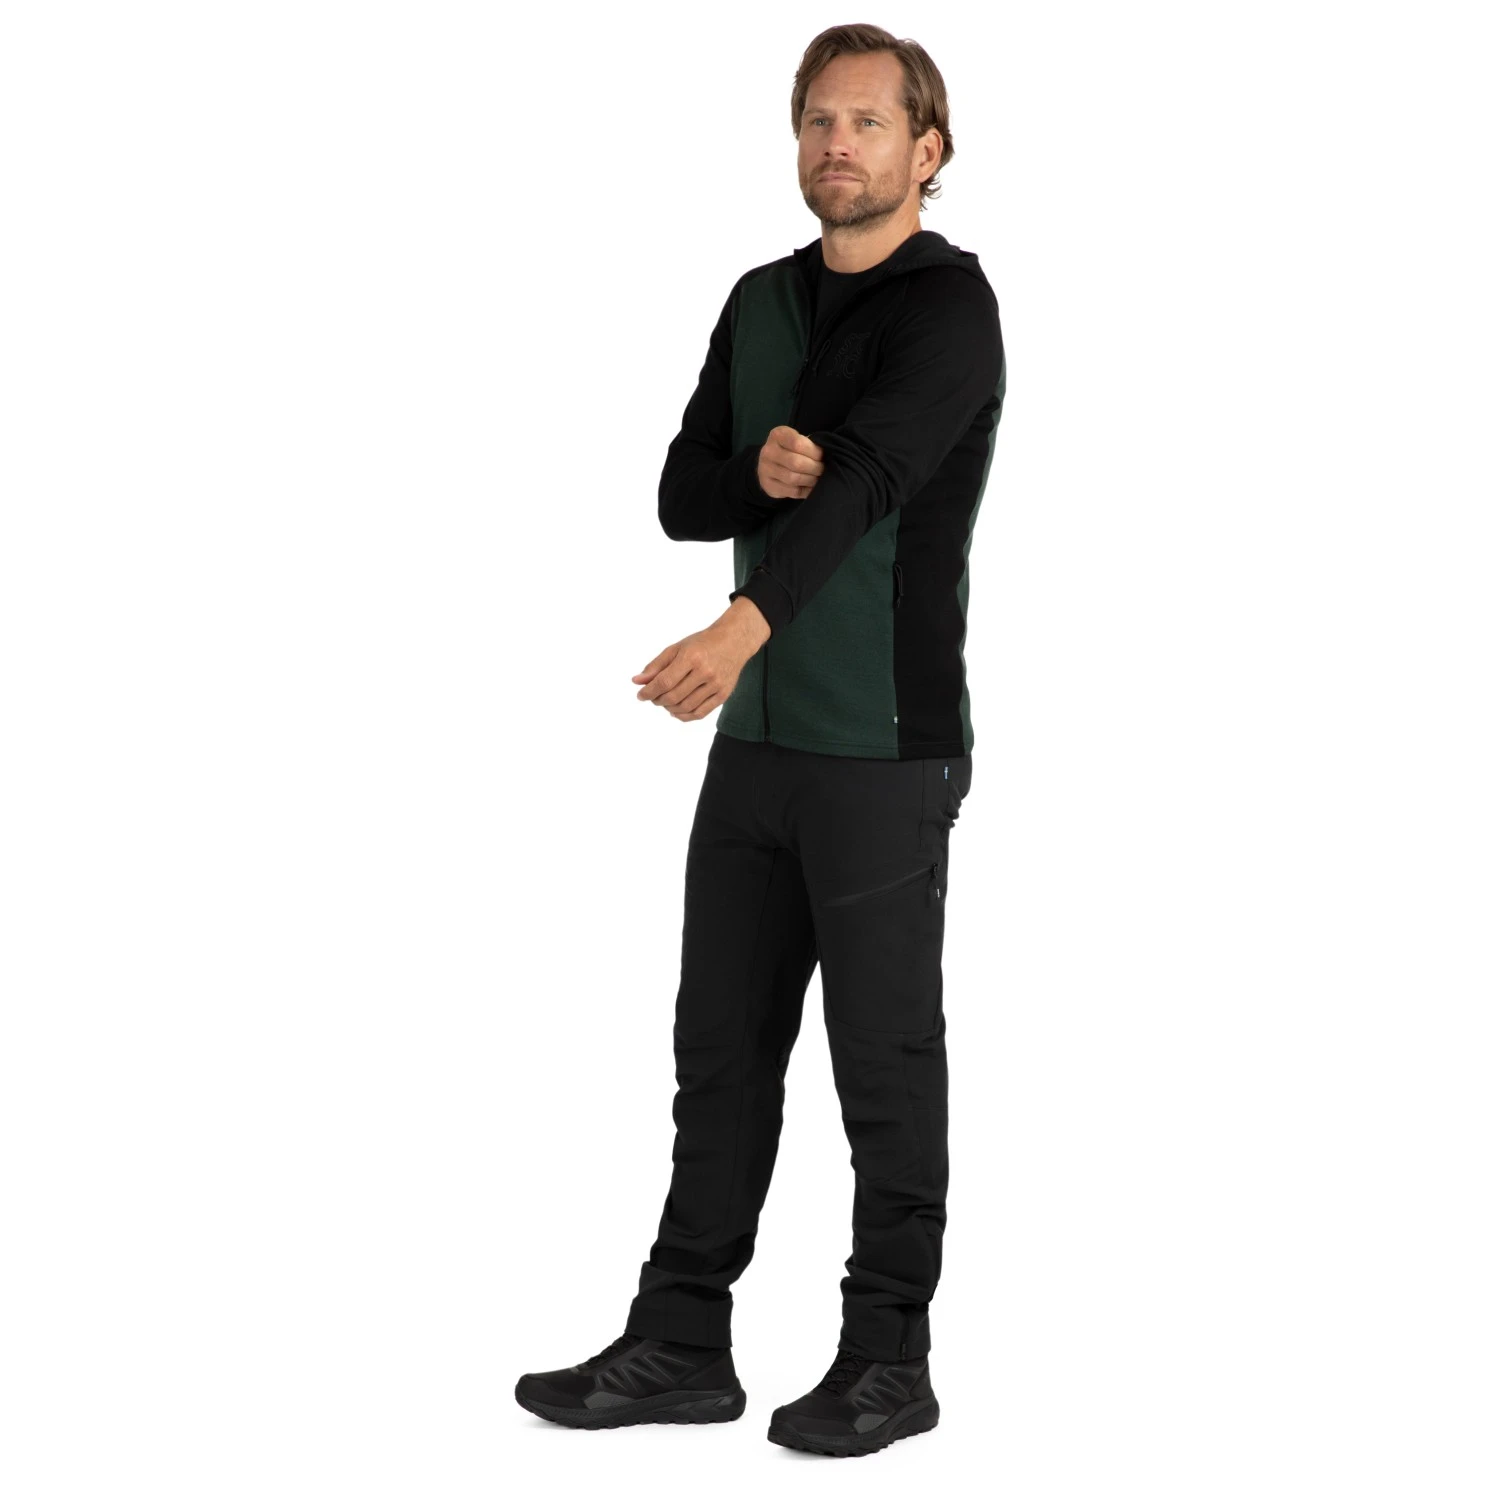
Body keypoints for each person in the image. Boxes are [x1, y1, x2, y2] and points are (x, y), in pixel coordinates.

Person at [515, 23, 1005, 1458]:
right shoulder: (759, 300)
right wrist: (753, 470)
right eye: (817, 121)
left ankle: (888, 1360)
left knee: (883, 1066)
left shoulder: (952, 310)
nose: (836, 144)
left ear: (927, 149)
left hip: (885, 749)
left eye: (868, 122)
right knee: (719, 1052)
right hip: (758, 755)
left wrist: (741, 630)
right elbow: (684, 493)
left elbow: (867, 483)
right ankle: (681, 1341)